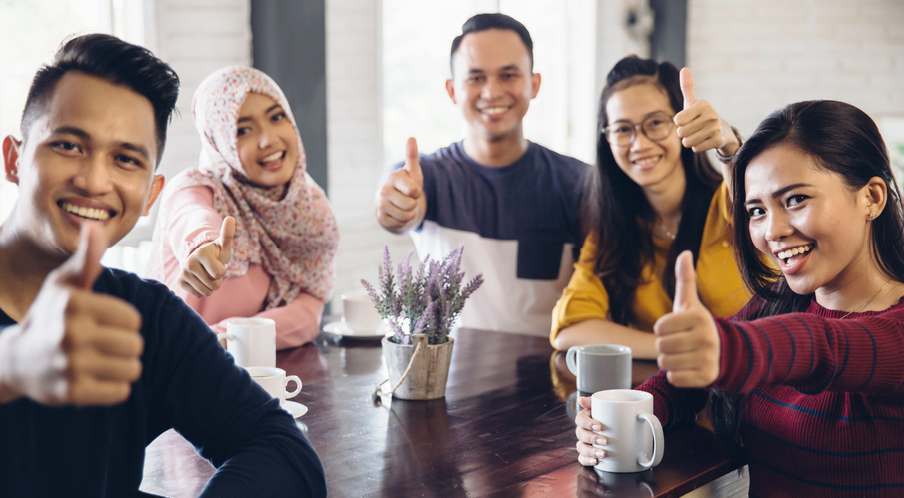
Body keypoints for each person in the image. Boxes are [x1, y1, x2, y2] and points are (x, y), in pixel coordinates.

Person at [0, 34, 326, 497]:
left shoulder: (149, 317)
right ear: (14, 158)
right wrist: (7, 360)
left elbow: (281, 449)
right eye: (68, 146)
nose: (94, 180)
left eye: (125, 159)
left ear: (150, 195)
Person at [575, 100, 904, 496]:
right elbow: (686, 384)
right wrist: (625, 413)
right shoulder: (779, 302)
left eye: (796, 199)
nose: (773, 231)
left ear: (871, 197)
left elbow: (821, 346)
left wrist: (724, 347)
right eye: (756, 210)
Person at [375, 13, 589, 335]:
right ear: (452, 91)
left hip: (551, 377)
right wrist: (396, 208)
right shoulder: (426, 178)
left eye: (508, 75)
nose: (491, 92)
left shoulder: (579, 183)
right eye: (475, 78)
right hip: (448, 377)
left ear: (534, 84)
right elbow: (400, 209)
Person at [551, 56, 751, 359]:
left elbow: (756, 205)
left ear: (682, 122)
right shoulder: (615, 228)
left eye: (655, 123)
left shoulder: (725, 205)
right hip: (664, 395)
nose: (639, 144)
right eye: (622, 129)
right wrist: (672, 350)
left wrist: (729, 147)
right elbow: (569, 328)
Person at [149, 66, 338, 350]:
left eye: (276, 117)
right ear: (219, 139)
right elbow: (190, 216)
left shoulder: (311, 211)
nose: (268, 140)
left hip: (259, 383)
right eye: (243, 130)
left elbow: (308, 315)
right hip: (172, 374)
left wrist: (219, 340)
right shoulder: (196, 187)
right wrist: (202, 245)